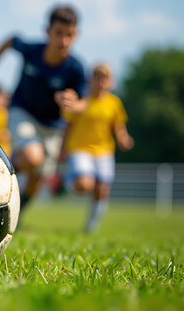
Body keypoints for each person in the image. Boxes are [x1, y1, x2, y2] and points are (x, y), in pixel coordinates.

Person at [0, 5, 87, 215]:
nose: (64, 41)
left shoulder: (76, 68)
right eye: (59, 33)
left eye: (70, 35)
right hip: (22, 112)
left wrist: (72, 103)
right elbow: (10, 40)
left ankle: (14, 216)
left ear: (76, 35)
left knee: (37, 177)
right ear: (48, 32)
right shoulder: (32, 50)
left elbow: (83, 103)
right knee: (33, 157)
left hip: (52, 127)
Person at [62, 64, 134, 232]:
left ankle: (91, 226)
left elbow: (118, 126)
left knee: (102, 189)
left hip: (104, 150)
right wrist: (62, 149)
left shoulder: (114, 103)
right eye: (98, 77)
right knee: (84, 185)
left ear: (111, 81)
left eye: (105, 78)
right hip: (80, 148)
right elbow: (67, 126)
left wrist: (124, 139)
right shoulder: (83, 100)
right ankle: (64, 182)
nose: (101, 81)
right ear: (91, 79)